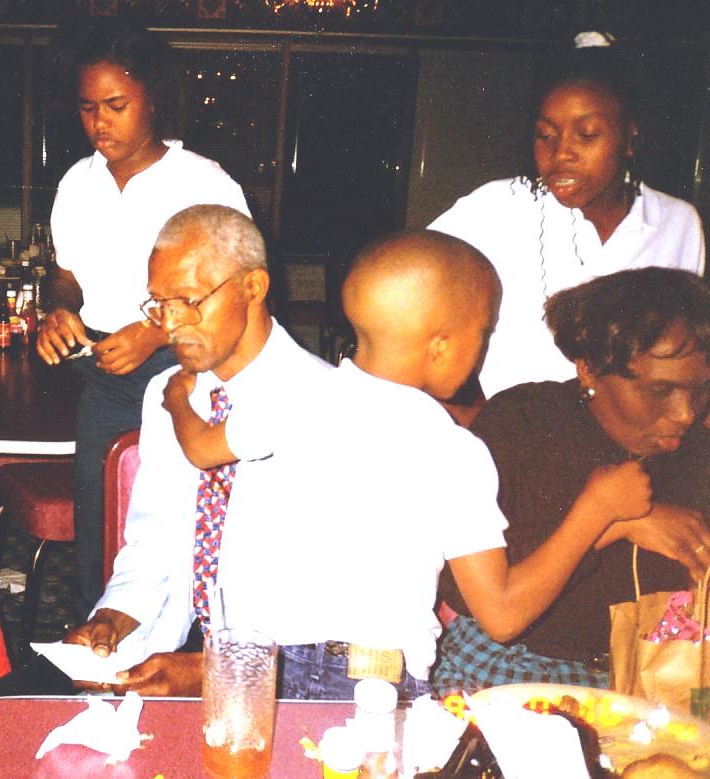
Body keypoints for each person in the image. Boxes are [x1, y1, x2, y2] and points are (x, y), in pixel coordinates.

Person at [155, 229, 643, 700]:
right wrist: (596, 511)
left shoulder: (293, 396)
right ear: (442, 345)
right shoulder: (452, 450)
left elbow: (200, 449)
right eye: (482, 332)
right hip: (370, 684)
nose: (482, 348)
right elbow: (501, 614)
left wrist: (177, 399)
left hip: (257, 672)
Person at [61, 205, 331, 695]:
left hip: (287, 678)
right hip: (180, 646)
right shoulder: (170, 392)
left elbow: (331, 612)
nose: (170, 325)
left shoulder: (322, 403)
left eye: (188, 301)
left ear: (253, 287)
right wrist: (114, 618)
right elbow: (154, 540)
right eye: (159, 304)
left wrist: (209, 671)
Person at [35, 24, 249, 616]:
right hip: (104, 371)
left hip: (187, 368)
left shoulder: (203, 183)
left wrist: (155, 333)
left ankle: (192, 644)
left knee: (186, 519)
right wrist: (59, 308)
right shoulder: (77, 183)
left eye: (116, 105)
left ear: (151, 100)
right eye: (88, 108)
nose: (100, 123)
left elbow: (238, 293)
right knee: (100, 518)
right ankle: (99, 635)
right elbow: (67, 274)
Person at [434, 267, 710, 695]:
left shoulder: (697, 450)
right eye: (659, 391)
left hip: (644, 677)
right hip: (516, 665)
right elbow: (481, 600)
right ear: (589, 370)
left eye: (699, 390)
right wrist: (614, 522)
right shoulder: (525, 424)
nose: (685, 413)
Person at [429, 34, 704, 406]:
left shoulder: (677, 223)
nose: (561, 153)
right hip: (508, 432)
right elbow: (411, 308)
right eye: (545, 135)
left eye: (587, 135)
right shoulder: (497, 208)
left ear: (630, 137)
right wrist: (471, 412)